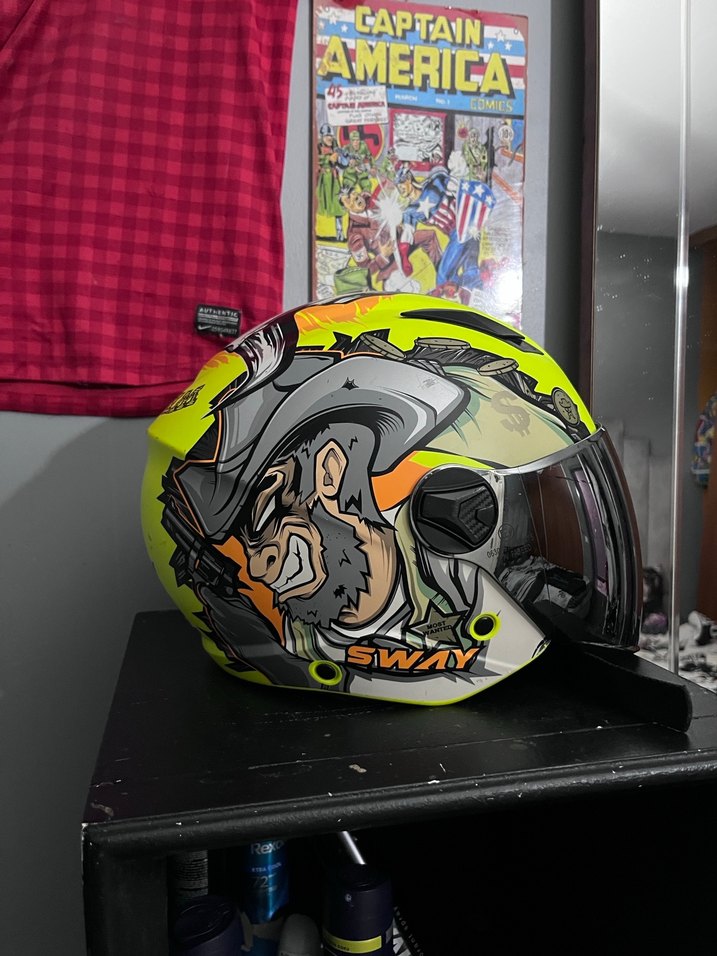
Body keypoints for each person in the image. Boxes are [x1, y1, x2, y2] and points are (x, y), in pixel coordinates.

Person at [159, 317, 587, 701]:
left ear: (330, 472)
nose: (256, 567)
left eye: (266, 517)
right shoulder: (279, 632)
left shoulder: (466, 586)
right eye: (245, 544)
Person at [316, 123, 347, 241]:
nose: (329, 138)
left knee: (338, 205)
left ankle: (339, 232)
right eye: (327, 136)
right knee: (317, 203)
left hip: (334, 181)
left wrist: (340, 158)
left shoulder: (335, 146)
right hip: (322, 181)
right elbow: (315, 160)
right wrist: (328, 159)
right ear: (322, 136)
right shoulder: (317, 146)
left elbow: (343, 164)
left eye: (331, 136)